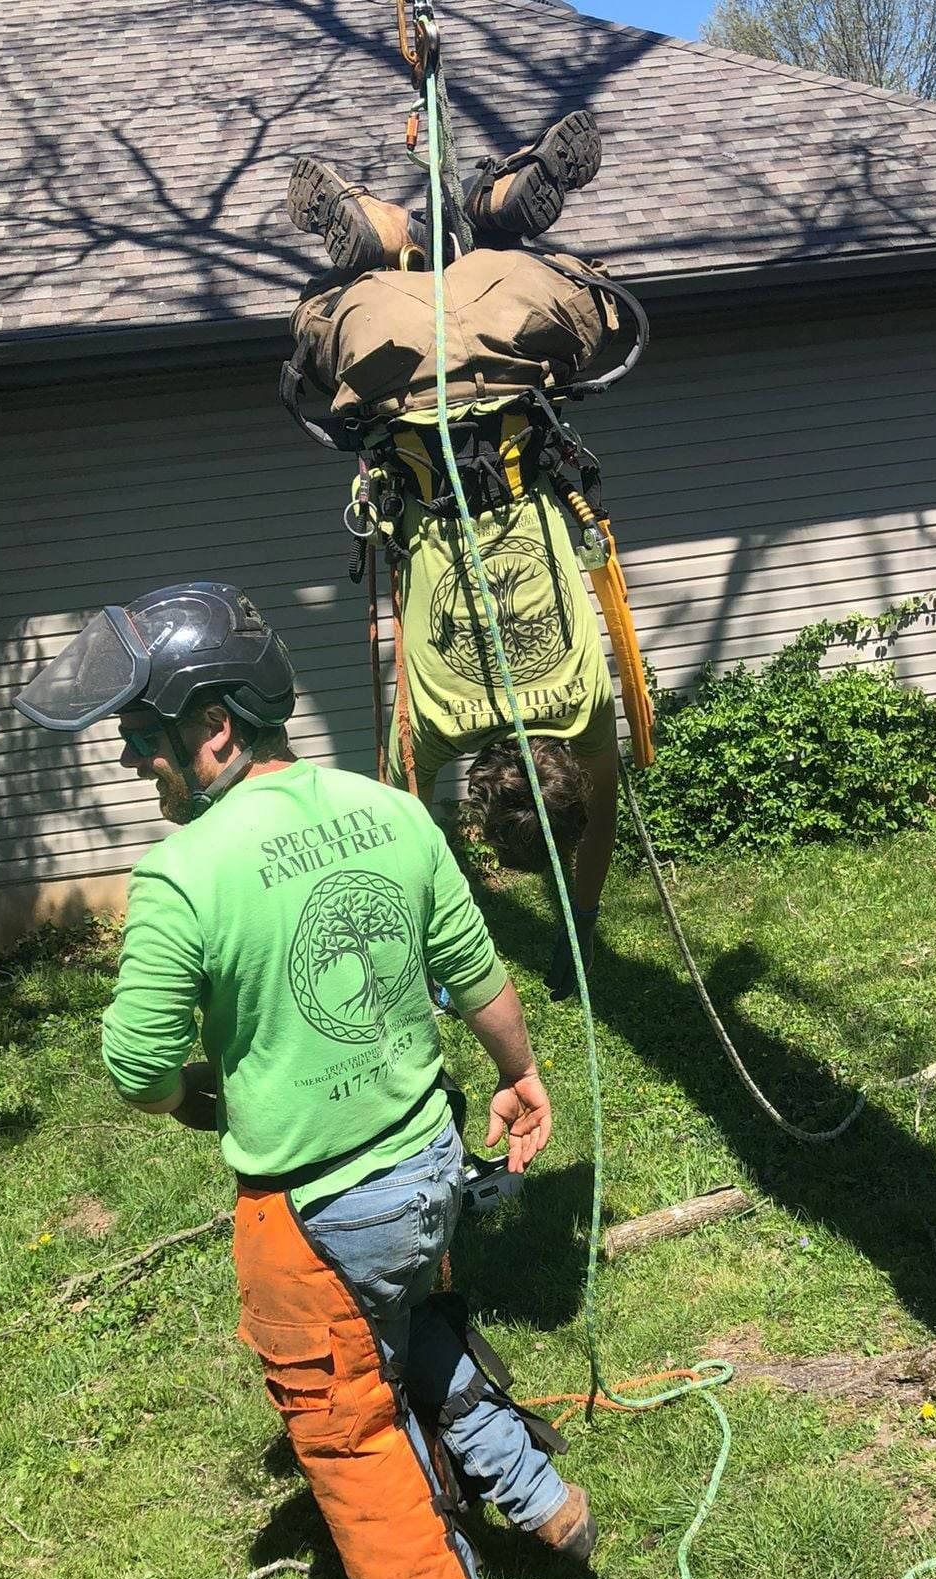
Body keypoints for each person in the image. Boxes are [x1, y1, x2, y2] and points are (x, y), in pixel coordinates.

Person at [14, 582, 596, 1579]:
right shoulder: (388, 810)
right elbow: (474, 972)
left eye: (143, 738)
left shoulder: (184, 875)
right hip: (429, 1162)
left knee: (343, 1422)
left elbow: (134, 1068)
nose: (138, 763)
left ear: (215, 728)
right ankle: (542, 1500)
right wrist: (521, 1078)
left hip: (317, 1211)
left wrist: (204, 1101)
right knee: (421, 1327)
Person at [287, 111, 621, 995]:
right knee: (327, 328)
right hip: (385, 345)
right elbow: (408, 827)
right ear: (480, 790)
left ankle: (488, 210)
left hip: (506, 318)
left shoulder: (584, 707)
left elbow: (601, 811)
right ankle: (385, 237)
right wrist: (570, 931)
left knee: (585, 303)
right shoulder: (435, 733)